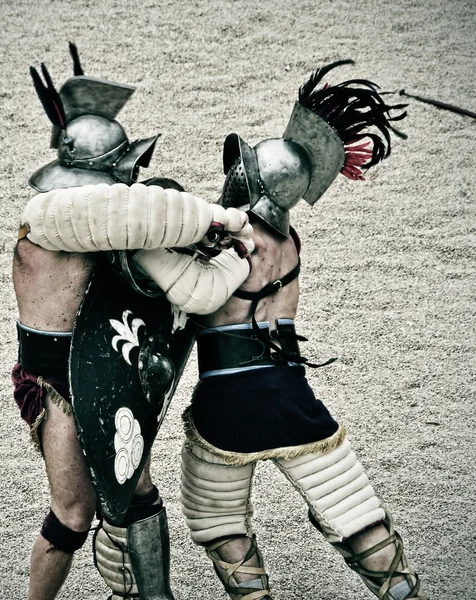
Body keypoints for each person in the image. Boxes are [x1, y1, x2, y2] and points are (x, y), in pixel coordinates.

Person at [12, 43, 254, 600]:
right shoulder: (48, 223)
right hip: (59, 384)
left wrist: (215, 247)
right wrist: (222, 219)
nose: (135, 178)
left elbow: (167, 264)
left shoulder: (100, 226)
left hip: (107, 369)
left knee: (135, 485)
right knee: (73, 513)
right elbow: (135, 212)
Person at [179, 60, 427, 600]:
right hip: (289, 391)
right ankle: (400, 588)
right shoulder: (291, 243)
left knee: (221, 528)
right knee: (355, 514)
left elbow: (179, 289)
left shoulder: (230, 238)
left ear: (254, 181)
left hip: (227, 400)